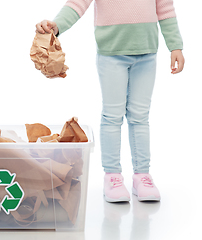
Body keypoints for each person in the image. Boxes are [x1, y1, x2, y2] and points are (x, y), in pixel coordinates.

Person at [36, 0, 185, 202]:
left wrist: (175, 45)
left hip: (147, 54)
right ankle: (112, 176)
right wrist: (57, 24)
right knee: (112, 116)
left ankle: (142, 176)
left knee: (140, 116)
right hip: (111, 54)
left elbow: (165, 8)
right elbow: (77, 4)